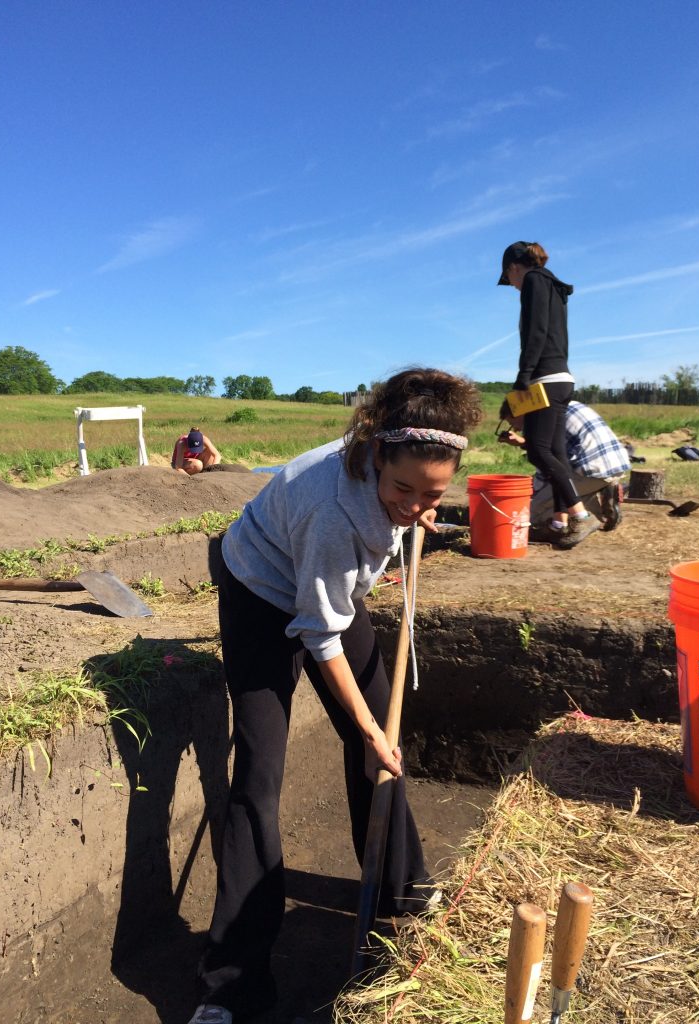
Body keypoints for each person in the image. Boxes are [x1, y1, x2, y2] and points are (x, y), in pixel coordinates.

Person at [187, 368, 482, 1024]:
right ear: (376, 454)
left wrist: (417, 506)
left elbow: (396, 515)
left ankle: (404, 893)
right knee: (259, 776)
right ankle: (231, 984)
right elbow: (319, 634)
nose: (414, 504)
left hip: (327, 592)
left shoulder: (401, 473)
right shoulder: (334, 511)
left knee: (382, 745)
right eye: (403, 489)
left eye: (432, 492)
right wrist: (369, 730)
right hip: (262, 591)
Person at [497, 240, 592, 542]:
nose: (512, 285)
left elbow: (535, 333)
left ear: (514, 267)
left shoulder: (534, 281)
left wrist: (523, 377)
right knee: (556, 452)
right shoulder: (553, 286)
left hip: (545, 379)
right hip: (562, 377)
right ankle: (559, 523)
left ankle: (581, 515)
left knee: (538, 451)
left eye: (509, 278)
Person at [498, 398, 630, 537]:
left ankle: (591, 515)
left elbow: (550, 469)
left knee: (530, 515)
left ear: (520, 413)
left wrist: (533, 495)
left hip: (589, 471)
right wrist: (525, 443)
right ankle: (603, 490)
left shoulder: (538, 422)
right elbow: (560, 447)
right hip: (612, 464)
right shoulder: (562, 405)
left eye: (512, 423)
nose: (515, 429)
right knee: (562, 494)